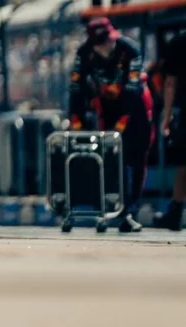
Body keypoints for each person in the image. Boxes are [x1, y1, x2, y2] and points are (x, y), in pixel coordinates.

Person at [68, 17, 152, 233]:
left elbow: (133, 89)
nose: (108, 45)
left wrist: (123, 122)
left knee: (137, 155)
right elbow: (76, 87)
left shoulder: (130, 50)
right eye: (103, 42)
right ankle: (114, 208)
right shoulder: (84, 53)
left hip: (138, 106)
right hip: (107, 105)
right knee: (112, 157)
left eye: (109, 40)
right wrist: (76, 119)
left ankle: (130, 209)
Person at [156, 30, 186, 231]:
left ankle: (175, 214)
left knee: (185, 164)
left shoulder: (180, 40)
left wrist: (166, 117)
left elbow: (170, 82)